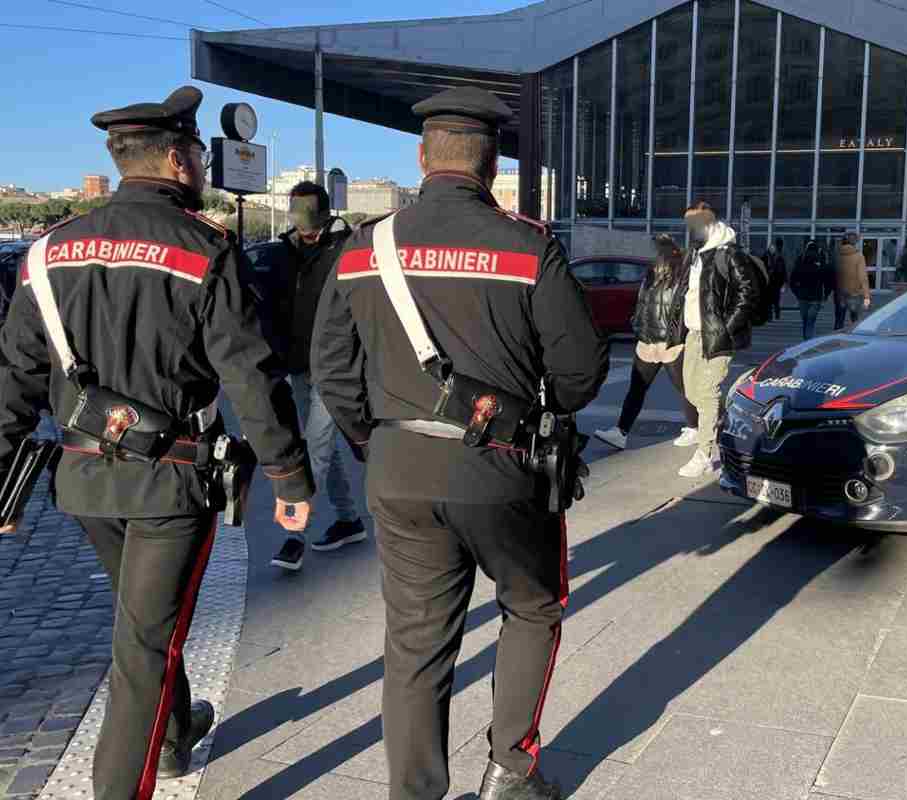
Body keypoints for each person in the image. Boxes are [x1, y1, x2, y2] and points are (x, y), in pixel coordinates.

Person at [0, 86, 314, 800]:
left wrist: (1, 488)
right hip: (171, 484)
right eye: (200, 152)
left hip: (81, 481)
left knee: (142, 621)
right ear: (178, 159)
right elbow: (248, 371)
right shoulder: (204, 249)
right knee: (144, 646)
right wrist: (290, 477)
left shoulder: (47, 253)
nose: (202, 163)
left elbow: (14, 374)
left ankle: (174, 734)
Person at [311, 86, 608, 800]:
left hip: (398, 464)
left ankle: (414, 792)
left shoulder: (362, 247)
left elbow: (330, 366)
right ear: (492, 160)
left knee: (415, 643)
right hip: (504, 469)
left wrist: (371, 438)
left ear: (421, 157)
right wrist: (543, 408)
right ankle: (511, 767)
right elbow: (580, 373)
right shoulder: (528, 244)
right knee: (532, 608)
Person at [249, 181, 364, 572]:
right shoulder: (286, 251)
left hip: (336, 369)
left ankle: (294, 535)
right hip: (299, 365)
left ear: (326, 215)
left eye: (310, 224)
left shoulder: (346, 249)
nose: (304, 231)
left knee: (314, 446)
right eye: (299, 223)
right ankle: (349, 519)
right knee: (322, 446)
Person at [593, 234, 698, 451]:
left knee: (687, 389)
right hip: (648, 342)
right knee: (637, 388)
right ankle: (620, 432)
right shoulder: (651, 275)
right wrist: (637, 325)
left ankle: (697, 429)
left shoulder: (682, 274)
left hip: (671, 344)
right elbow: (642, 303)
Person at [678, 201, 759, 478]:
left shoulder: (729, 253)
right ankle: (725, 425)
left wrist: (725, 328)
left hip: (717, 336)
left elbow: (747, 294)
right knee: (691, 392)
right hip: (693, 333)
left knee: (709, 391)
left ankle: (704, 453)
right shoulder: (696, 253)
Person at [790, 241, 829, 340]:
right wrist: (826, 294)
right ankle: (807, 342)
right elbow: (826, 278)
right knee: (810, 322)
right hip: (816, 297)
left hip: (802, 296)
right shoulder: (821, 260)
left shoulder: (801, 259)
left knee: (805, 321)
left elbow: (793, 279)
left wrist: (796, 292)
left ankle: (806, 341)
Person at [835, 232, 871, 329]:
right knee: (855, 321)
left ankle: (836, 339)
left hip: (840, 293)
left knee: (839, 320)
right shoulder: (859, 256)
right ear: (854, 242)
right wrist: (867, 297)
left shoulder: (837, 255)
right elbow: (863, 277)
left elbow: (834, 274)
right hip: (854, 293)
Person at [765, 237, 787, 321]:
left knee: (770, 299)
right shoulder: (779, 256)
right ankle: (776, 315)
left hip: (770, 280)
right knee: (776, 299)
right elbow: (783, 270)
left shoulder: (769, 255)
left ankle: (771, 316)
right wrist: (784, 281)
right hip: (776, 281)